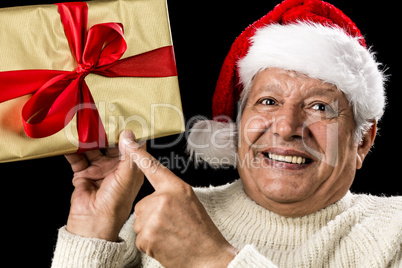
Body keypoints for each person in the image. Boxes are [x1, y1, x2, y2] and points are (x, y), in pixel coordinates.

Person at [52, 0, 402, 267]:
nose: (286, 127)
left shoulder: (394, 231)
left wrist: (211, 258)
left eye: (320, 107)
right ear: (236, 128)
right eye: (268, 101)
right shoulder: (166, 214)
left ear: (363, 141)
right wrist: (92, 232)